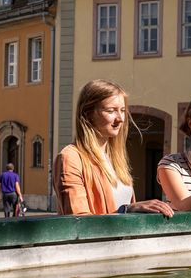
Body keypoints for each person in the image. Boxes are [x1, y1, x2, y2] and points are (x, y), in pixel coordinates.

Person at [53, 79, 174, 216]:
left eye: (122, 110)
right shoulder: (71, 158)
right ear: (88, 114)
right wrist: (127, 210)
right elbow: (77, 221)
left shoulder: (115, 158)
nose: (120, 118)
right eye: (111, 111)